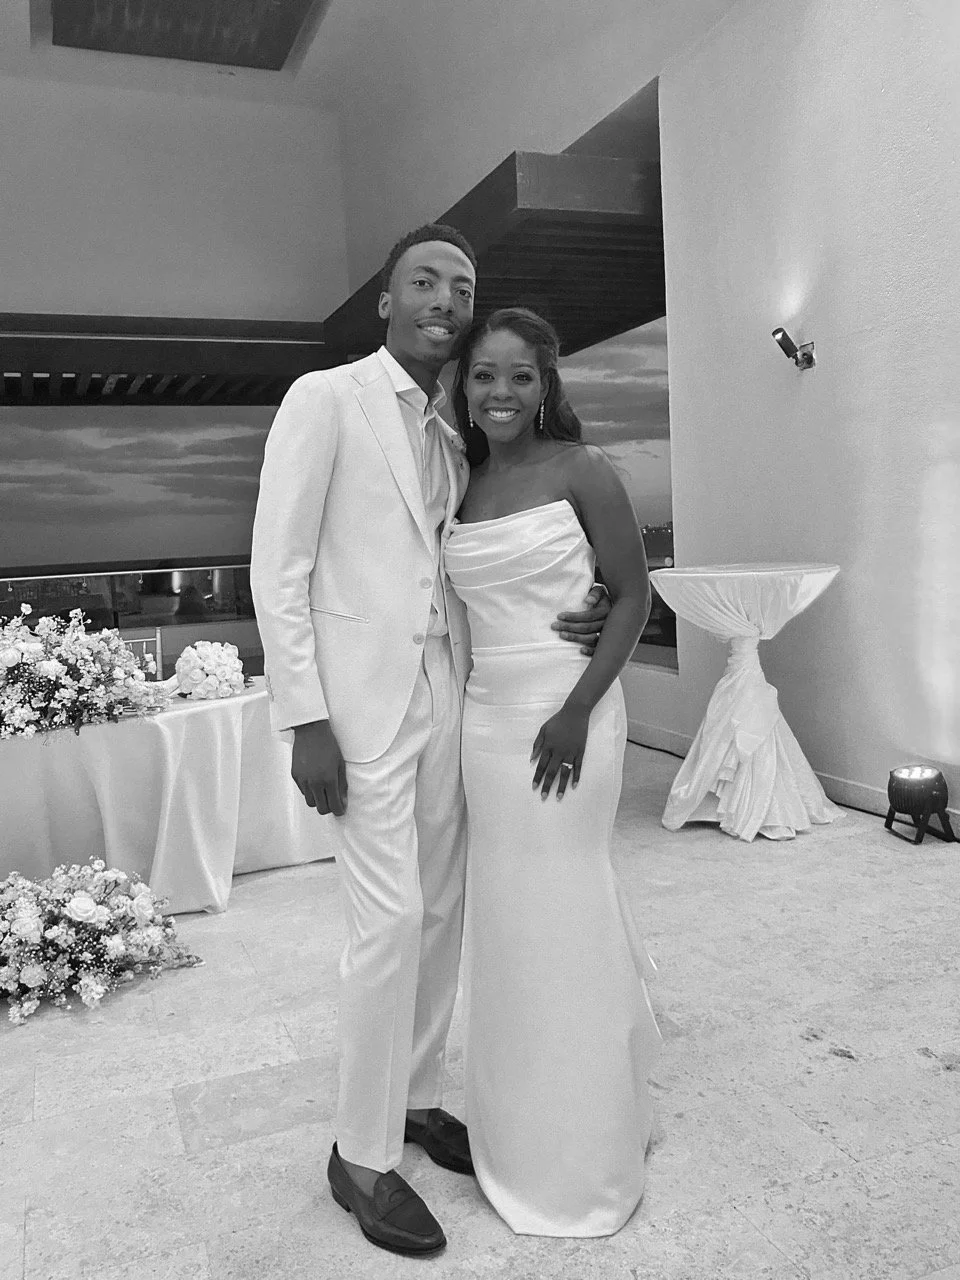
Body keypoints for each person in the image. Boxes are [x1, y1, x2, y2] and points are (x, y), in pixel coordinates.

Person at [249, 226, 610, 1258]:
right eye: (424, 280)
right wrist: (303, 714)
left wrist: (575, 601)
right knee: (390, 918)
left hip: (449, 697)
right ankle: (358, 1154)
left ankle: (409, 1095)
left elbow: (468, 560)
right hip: (356, 716)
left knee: (444, 907)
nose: (443, 297)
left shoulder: (454, 429)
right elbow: (279, 564)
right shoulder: (326, 400)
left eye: (461, 284)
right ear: (386, 300)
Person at [446, 306, 662, 1236]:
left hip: (570, 714)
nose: (501, 393)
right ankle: (521, 1120)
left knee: (566, 903)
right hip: (484, 724)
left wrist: (576, 710)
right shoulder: (461, 481)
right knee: (509, 919)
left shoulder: (583, 470)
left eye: (520, 377)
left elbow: (634, 595)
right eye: (484, 376)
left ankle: (583, 1144)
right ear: (465, 385)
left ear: (547, 385)